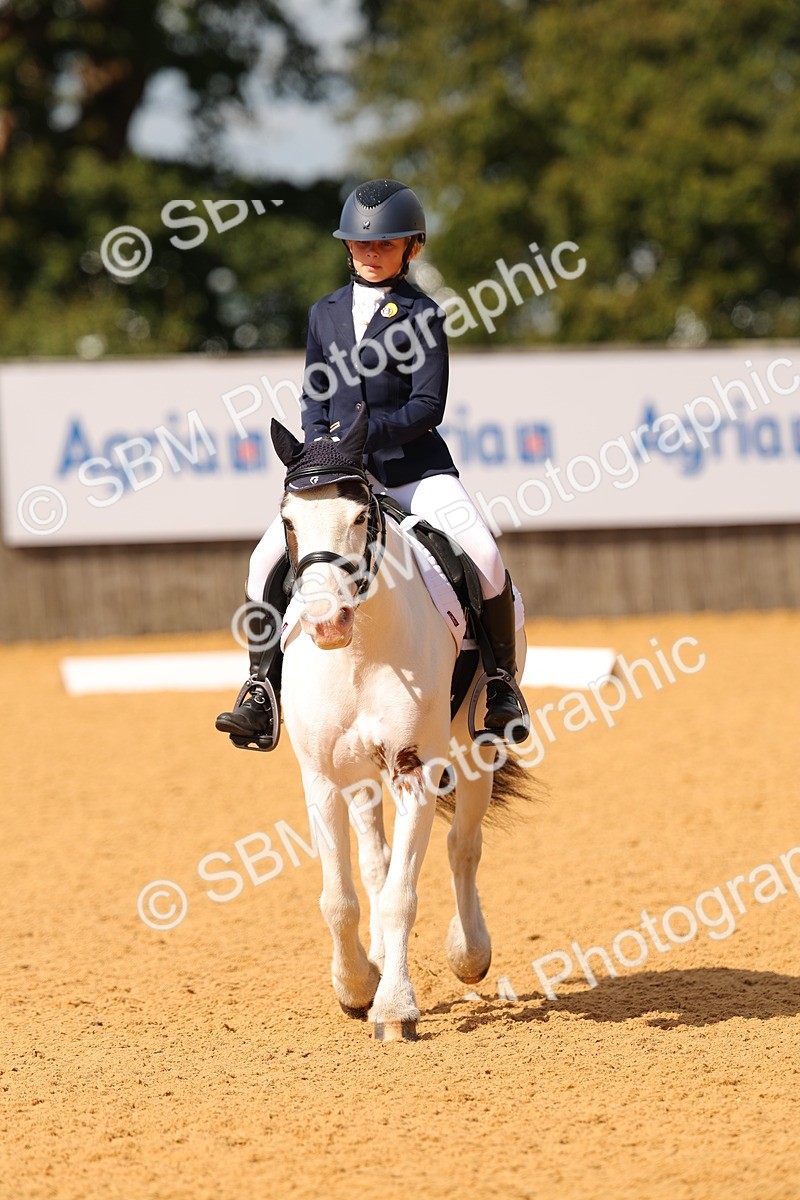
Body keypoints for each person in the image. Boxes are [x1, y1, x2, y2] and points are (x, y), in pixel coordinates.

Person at [216, 178, 529, 751]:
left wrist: (362, 440)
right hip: (340, 476)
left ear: (411, 247)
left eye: (385, 243)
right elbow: (314, 396)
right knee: (263, 562)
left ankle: (501, 686)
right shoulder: (325, 313)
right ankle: (260, 689)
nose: (371, 252)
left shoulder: (423, 314)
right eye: (361, 243)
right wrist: (324, 452)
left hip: (414, 471)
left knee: (484, 556)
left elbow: (427, 406)